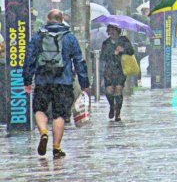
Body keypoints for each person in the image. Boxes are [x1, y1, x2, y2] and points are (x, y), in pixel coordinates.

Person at [23, 9, 90, 158]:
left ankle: (44, 133)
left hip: (42, 81)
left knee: (39, 110)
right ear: (61, 20)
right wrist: (84, 82)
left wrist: (27, 80)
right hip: (63, 82)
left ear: (47, 19)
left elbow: (29, 58)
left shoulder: (38, 36)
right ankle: (56, 148)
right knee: (59, 115)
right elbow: (79, 60)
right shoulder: (69, 38)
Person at [99, 24, 135, 121]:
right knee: (109, 91)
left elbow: (131, 51)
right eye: (110, 30)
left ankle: (118, 113)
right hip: (109, 70)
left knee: (118, 90)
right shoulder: (106, 43)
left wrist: (122, 50)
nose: (111, 33)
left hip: (120, 69)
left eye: (113, 30)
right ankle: (112, 106)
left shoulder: (124, 40)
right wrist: (112, 53)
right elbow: (103, 56)